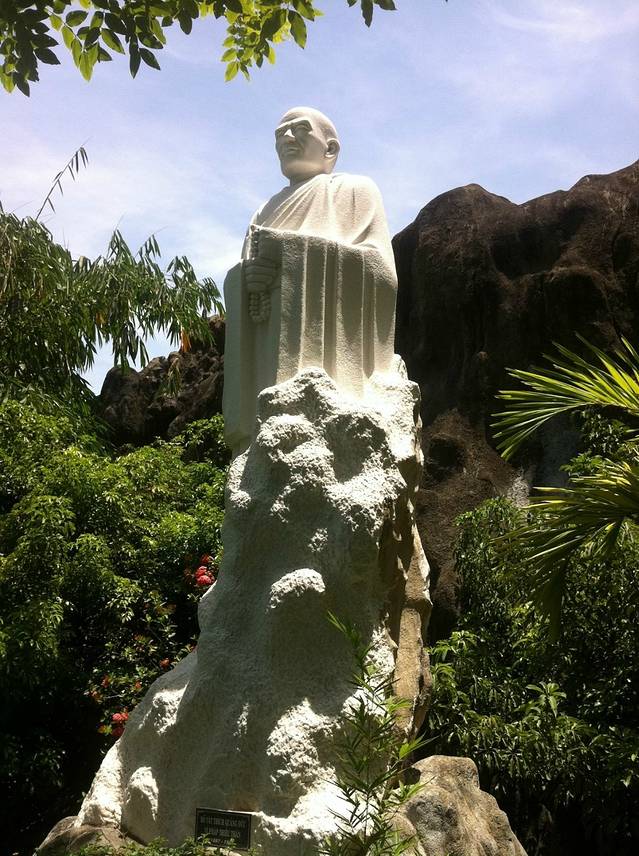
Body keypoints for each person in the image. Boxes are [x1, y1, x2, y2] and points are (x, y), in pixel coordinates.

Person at [223, 107, 398, 455]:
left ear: (330, 149)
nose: (287, 138)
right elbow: (247, 285)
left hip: (328, 368)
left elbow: (381, 273)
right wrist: (246, 279)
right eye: (280, 133)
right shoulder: (263, 211)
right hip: (267, 354)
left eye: (300, 129)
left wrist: (291, 254)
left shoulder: (353, 191)